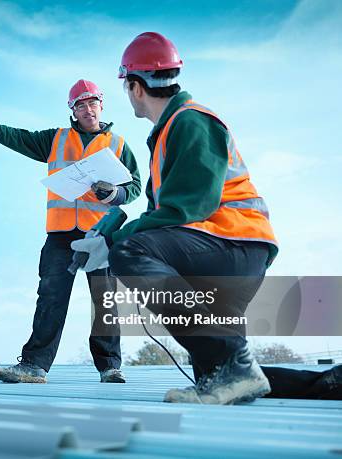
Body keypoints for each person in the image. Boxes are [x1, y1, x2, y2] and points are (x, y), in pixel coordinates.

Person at [71, 32, 341, 403]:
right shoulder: (167, 134)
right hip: (221, 249)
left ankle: (235, 364)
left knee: (130, 254)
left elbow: (185, 209)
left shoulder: (191, 121)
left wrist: (114, 243)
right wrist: (112, 230)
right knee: (217, 370)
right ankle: (328, 384)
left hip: (233, 246)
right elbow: (161, 214)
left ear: (134, 87)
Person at [0, 79, 141, 383]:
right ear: (73, 110)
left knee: (105, 301)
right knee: (51, 296)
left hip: (100, 235)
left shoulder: (118, 145)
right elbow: (16, 137)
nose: (88, 109)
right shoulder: (56, 139)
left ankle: (110, 367)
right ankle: (34, 366)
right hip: (62, 234)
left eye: (92, 103)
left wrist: (113, 194)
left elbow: (134, 187)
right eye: (81, 104)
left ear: (101, 105)